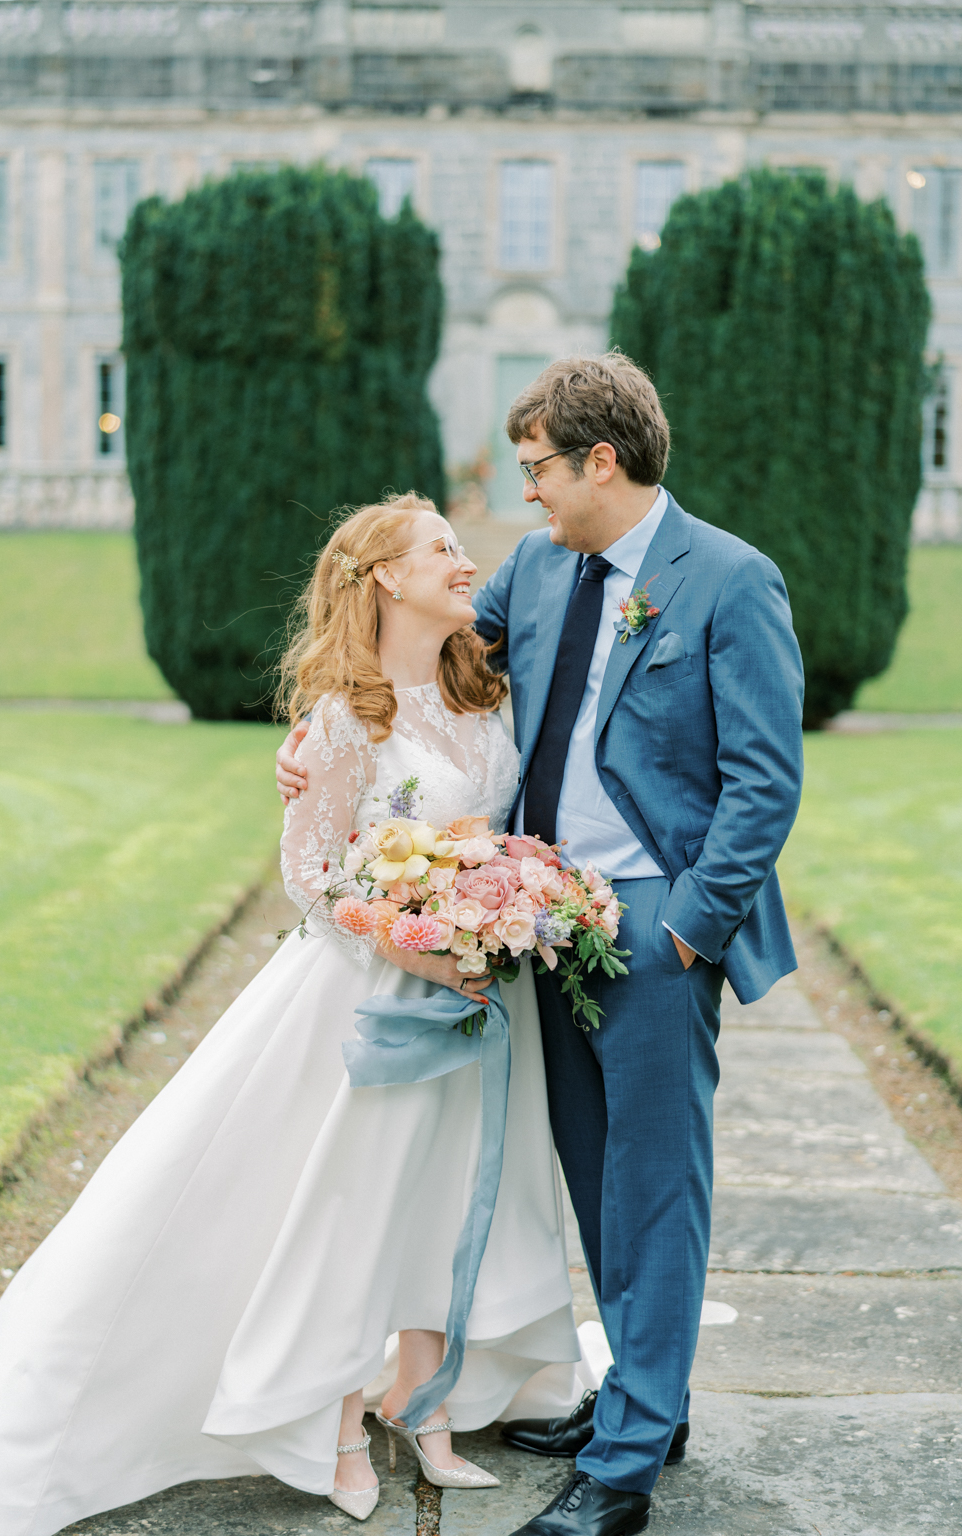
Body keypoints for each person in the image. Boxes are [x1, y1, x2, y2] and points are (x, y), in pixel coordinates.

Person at [0, 493, 589, 1536]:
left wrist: (504, 903)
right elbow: (310, 873)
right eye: (439, 548)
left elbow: (493, 827)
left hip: (483, 990)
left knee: (459, 1193)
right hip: (372, 990)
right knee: (360, 1205)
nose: (461, 560)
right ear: (385, 575)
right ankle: (335, 1427)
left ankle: (424, 1412)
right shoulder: (339, 718)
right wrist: (405, 940)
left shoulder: (486, 698)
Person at [277, 355, 805, 1535]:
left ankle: (621, 1471)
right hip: (545, 924)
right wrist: (327, 745)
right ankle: (643, 1399)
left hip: (656, 928)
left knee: (653, 1186)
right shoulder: (537, 569)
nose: (526, 497)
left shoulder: (728, 579)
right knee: (586, 1168)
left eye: (537, 471)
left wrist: (687, 929)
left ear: (599, 462)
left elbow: (764, 786)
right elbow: (434, 672)